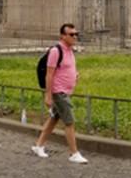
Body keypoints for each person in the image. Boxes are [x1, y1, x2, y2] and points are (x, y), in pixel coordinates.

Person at [31, 24, 88, 164]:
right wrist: (48, 95)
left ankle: (38, 146)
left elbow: (66, 68)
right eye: (71, 34)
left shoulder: (70, 50)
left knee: (54, 118)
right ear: (62, 36)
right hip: (58, 92)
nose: (75, 37)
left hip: (66, 91)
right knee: (69, 121)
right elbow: (49, 75)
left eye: (76, 34)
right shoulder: (56, 51)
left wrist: (74, 75)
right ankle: (74, 153)